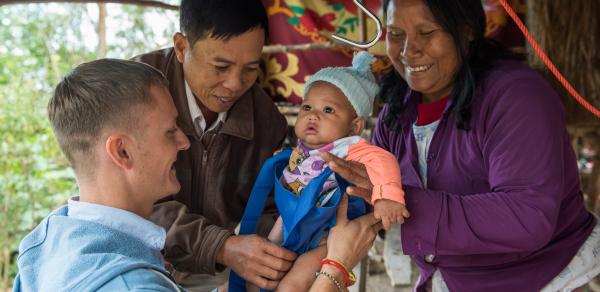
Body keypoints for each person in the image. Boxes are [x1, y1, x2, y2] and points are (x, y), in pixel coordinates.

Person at [321, 0, 600, 291]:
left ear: (466, 32)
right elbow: (368, 193)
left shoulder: (518, 98)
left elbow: (527, 216)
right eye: (396, 34)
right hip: (453, 277)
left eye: (426, 32)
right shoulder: (398, 109)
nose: (408, 51)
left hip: (543, 275)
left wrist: (399, 199)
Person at [133, 0, 295, 290]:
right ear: (182, 47)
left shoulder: (267, 120)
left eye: (250, 68)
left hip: (221, 272)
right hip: (136, 262)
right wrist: (221, 246)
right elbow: (124, 199)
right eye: (221, 66)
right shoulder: (132, 93)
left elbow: (270, 207)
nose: (235, 84)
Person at [238, 51, 410, 292]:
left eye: (328, 110)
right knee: (259, 273)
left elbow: (384, 160)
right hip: (293, 223)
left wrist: (387, 196)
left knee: (292, 285)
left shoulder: (349, 148)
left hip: (326, 237)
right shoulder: (301, 150)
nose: (313, 115)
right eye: (307, 107)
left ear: (354, 126)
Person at [12, 59, 190, 291]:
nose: (184, 142)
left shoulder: (47, 248)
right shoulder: (132, 286)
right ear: (122, 152)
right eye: (170, 131)